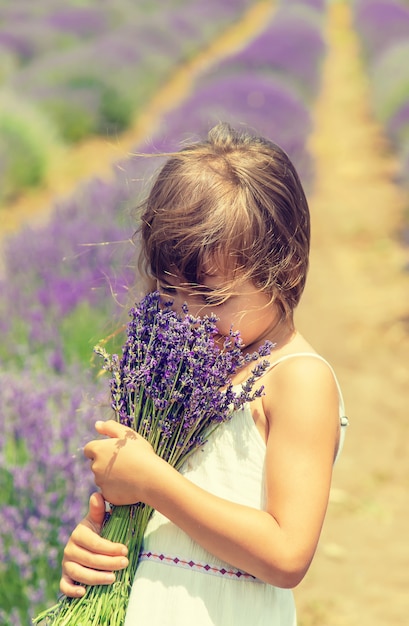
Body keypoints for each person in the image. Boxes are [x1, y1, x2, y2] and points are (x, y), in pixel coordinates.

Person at [60, 122, 348, 625]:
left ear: (287, 272)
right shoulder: (178, 372)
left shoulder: (297, 380)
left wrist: (152, 481)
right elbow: (151, 525)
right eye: (171, 293)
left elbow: (286, 555)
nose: (189, 317)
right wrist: (93, 546)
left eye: (213, 298)